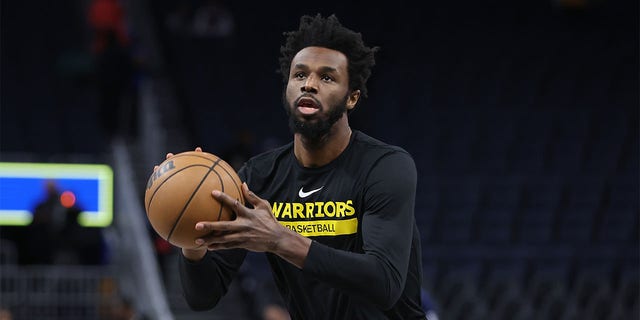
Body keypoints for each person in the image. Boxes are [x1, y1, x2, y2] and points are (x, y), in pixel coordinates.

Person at [163, 14, 426, 319]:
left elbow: (384, 282)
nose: (309, 85)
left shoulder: (386, 167)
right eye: (299, 75)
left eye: (327, 77)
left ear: (352, 97)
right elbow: (203, 297)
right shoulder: (259, 176)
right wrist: (190, 233)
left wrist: (279, 239)